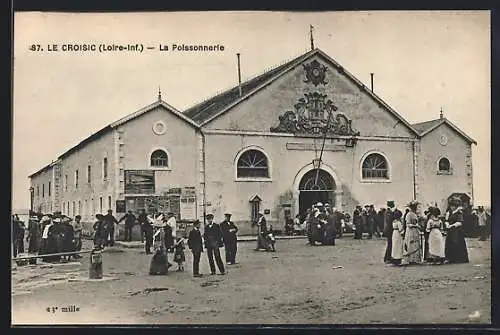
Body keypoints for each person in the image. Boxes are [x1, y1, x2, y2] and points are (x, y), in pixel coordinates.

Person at [444, 197, 469, 263]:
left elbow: (460, 222)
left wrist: (452, 225)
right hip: (450, 231)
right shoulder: (449, 212)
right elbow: (446, 220)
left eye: (453, 206)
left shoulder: (459, 212)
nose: (452, 207)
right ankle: (450, 258)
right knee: (449, 243)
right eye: (451, 205)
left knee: (456, 243)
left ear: (456, 206)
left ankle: (458, 258)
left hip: (457, 231)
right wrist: (447, 224)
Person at [403, 201, 423, 265]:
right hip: (410, 231)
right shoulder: (408, 214)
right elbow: (408, 224)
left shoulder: (415, 214)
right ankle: (410, 259)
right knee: (410, 244)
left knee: (416, 244)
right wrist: (416, 226)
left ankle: (415, 259)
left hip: (415, 231)